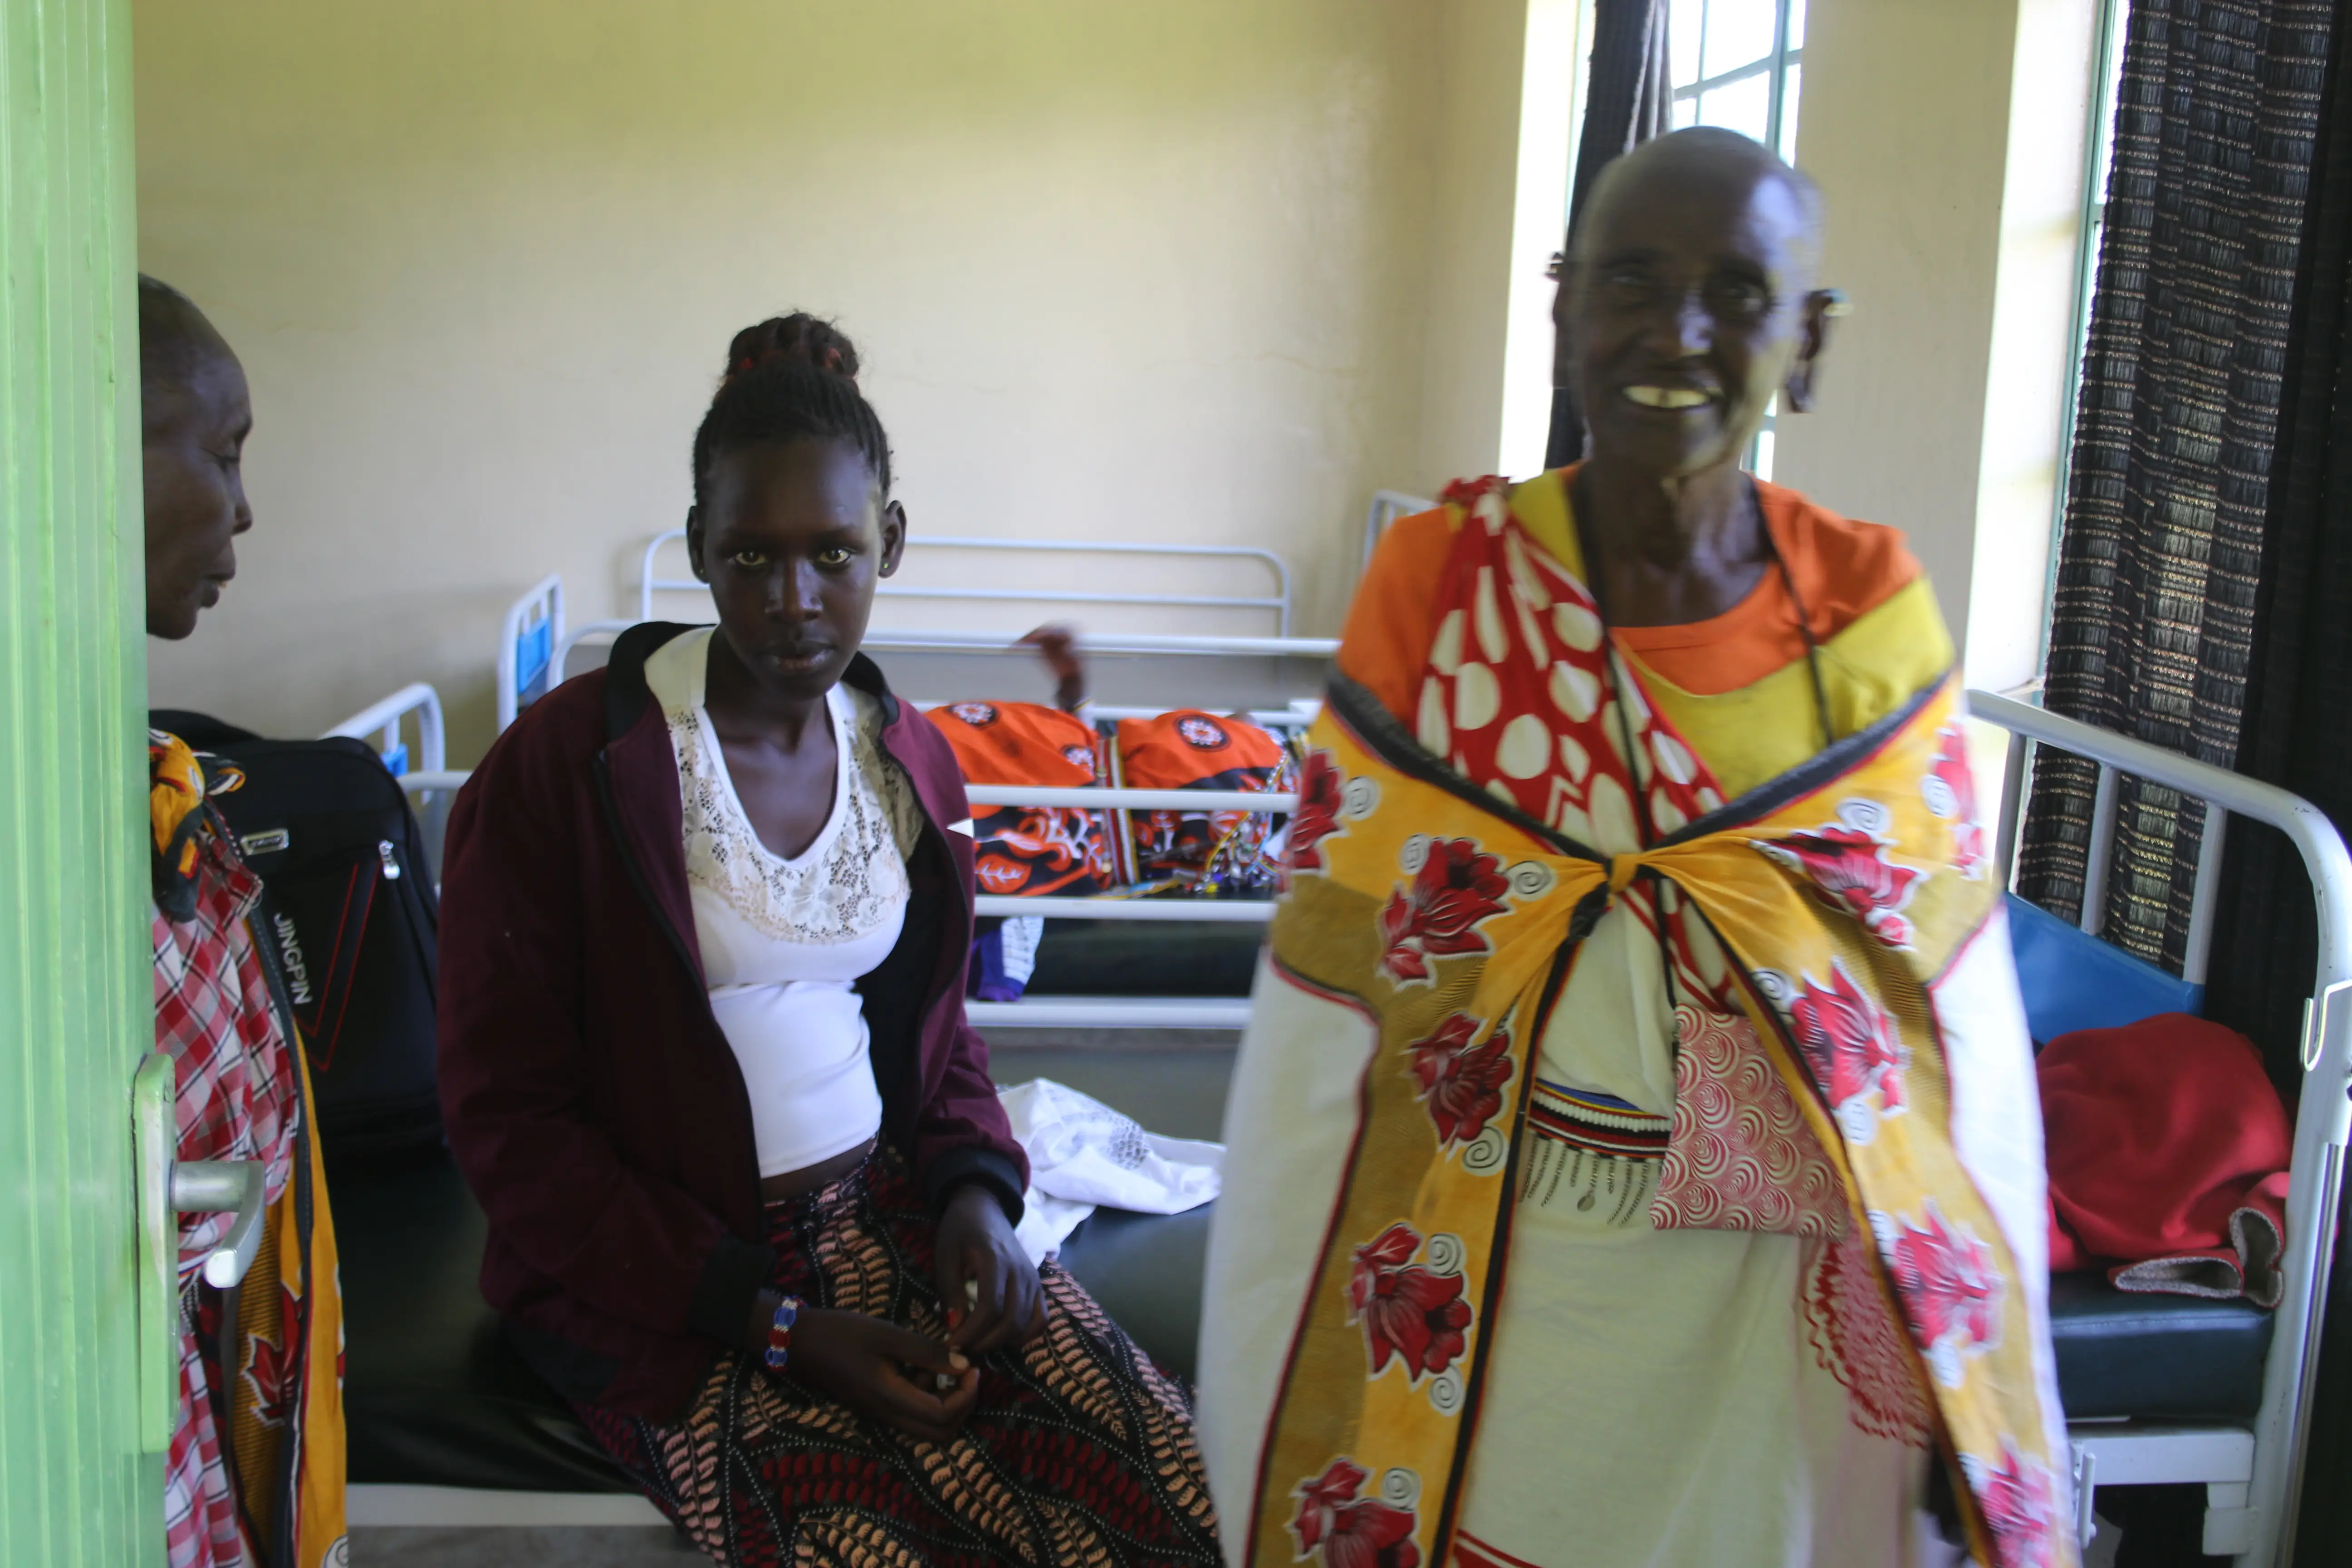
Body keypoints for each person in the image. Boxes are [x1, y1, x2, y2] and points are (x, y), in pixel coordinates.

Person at [1199, 129, 2072, 1568]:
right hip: (1502, 1269)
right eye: (1630, 284)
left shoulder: (1867, 620)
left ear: (1808, 344)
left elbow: (1939, 1027)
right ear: (1562, 313)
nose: (1675, 334)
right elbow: (1333, 1013)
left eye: (1738, 293)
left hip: (1763, 1298)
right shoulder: (1441, 592)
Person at [436, 314, 1220, 1567]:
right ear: (698, 548)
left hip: (895, 1216)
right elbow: (507, 1125)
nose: (794, 602)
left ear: (889, 545)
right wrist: (776, 1323)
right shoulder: (571, 769)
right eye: (749, 557)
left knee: (1180, 1491)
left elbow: (937, 1033)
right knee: (897, 1544)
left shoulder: (909, 765)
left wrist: (977, 1198)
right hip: (669, 1289)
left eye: (833, 555)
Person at [142, 274, 348, 1568]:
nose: (246, 506)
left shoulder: (159, 786)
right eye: (222, 453)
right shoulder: (77, 833)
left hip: (213, 1390)